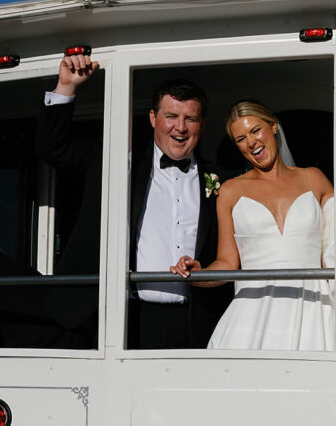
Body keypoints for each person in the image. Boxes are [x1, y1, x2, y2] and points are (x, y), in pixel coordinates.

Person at [36, 53, 228, 349]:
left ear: (201, 123)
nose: (180, 127)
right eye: (171, 116)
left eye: (190, 118)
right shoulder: (115, 162)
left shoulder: (221, 180)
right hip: (127, 319)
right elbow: (52, 150)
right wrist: (66, 87)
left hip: (198, 322)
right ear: (153, 118)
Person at [171, 100, 335, 350]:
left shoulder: (314, 179)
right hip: (253, 311)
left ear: (273, 127)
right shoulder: (230, 191)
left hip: (314, 307)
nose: (251, 143)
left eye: (255, 130)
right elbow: (227, 263)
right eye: (240, 139)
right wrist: (196, 274)